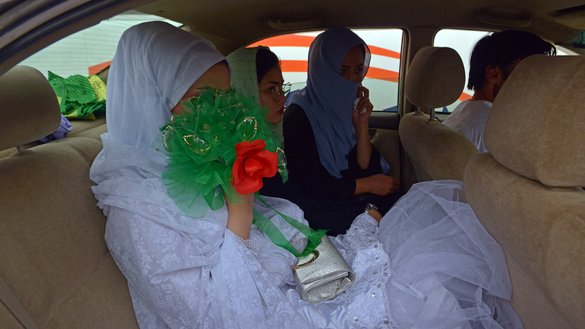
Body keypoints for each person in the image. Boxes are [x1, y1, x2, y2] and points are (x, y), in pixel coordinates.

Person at [91, 21, 522, 329]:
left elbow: (286, 233)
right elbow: (220, 315)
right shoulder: (135, 210)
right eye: (202, 98)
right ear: (153, 100)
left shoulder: (203, 162)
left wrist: (359, 136)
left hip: (300, 276)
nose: (219, 113)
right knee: (422, 284)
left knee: (419, 267)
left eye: (224, 98)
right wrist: (240, 206)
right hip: (281, 305)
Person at [284, 27, 400, 235]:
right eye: (342, 71)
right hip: (322, 205)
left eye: (357, 71)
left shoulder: (344, 108)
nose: (352, 81)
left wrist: (362, 124)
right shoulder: (297, 117)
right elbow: (312, 185)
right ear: (322, 70)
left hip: (349, 196)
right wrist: (368, 185)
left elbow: (364, 166)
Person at [443, 30, 556, 152]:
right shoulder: (495, 132)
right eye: (526, 74)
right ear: (493, 75)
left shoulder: (463, 112)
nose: (534, 84)